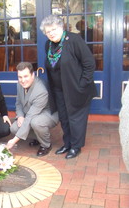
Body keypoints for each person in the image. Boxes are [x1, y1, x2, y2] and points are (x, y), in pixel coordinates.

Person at [40, 15, 97, 159]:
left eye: (54, 29)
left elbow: (89, 64)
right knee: (64, 118)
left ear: (61, 27)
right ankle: (67, 144)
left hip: (76, 88)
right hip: (59, 89)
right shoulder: (48, 45)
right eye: (48, 31)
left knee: (76, 118)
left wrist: (82, 84)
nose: (51, 33)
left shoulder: (74, 40)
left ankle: (76, 146)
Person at [6, 62, 59, 157]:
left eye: (26, 76)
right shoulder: (19, 84)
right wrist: (20, 116)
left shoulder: (41, 90)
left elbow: (30, 117)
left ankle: (46, 144)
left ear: (32, 75)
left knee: (36, 122)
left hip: (48, 113)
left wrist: (14, 140)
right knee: (14, 128)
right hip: (31, 113)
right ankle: (39, 137)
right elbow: (18, 103)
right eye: (20, 77)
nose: (23, 80)